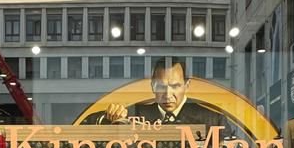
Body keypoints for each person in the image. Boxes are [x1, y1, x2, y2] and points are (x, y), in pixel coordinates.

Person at [91, 58, 224, 127]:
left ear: (187, 86)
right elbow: (91, 120)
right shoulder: (134, 114)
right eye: (161, 87)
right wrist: (110, 116)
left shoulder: (213, 118)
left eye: (175, 86)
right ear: (153, 87)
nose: (167, 94)